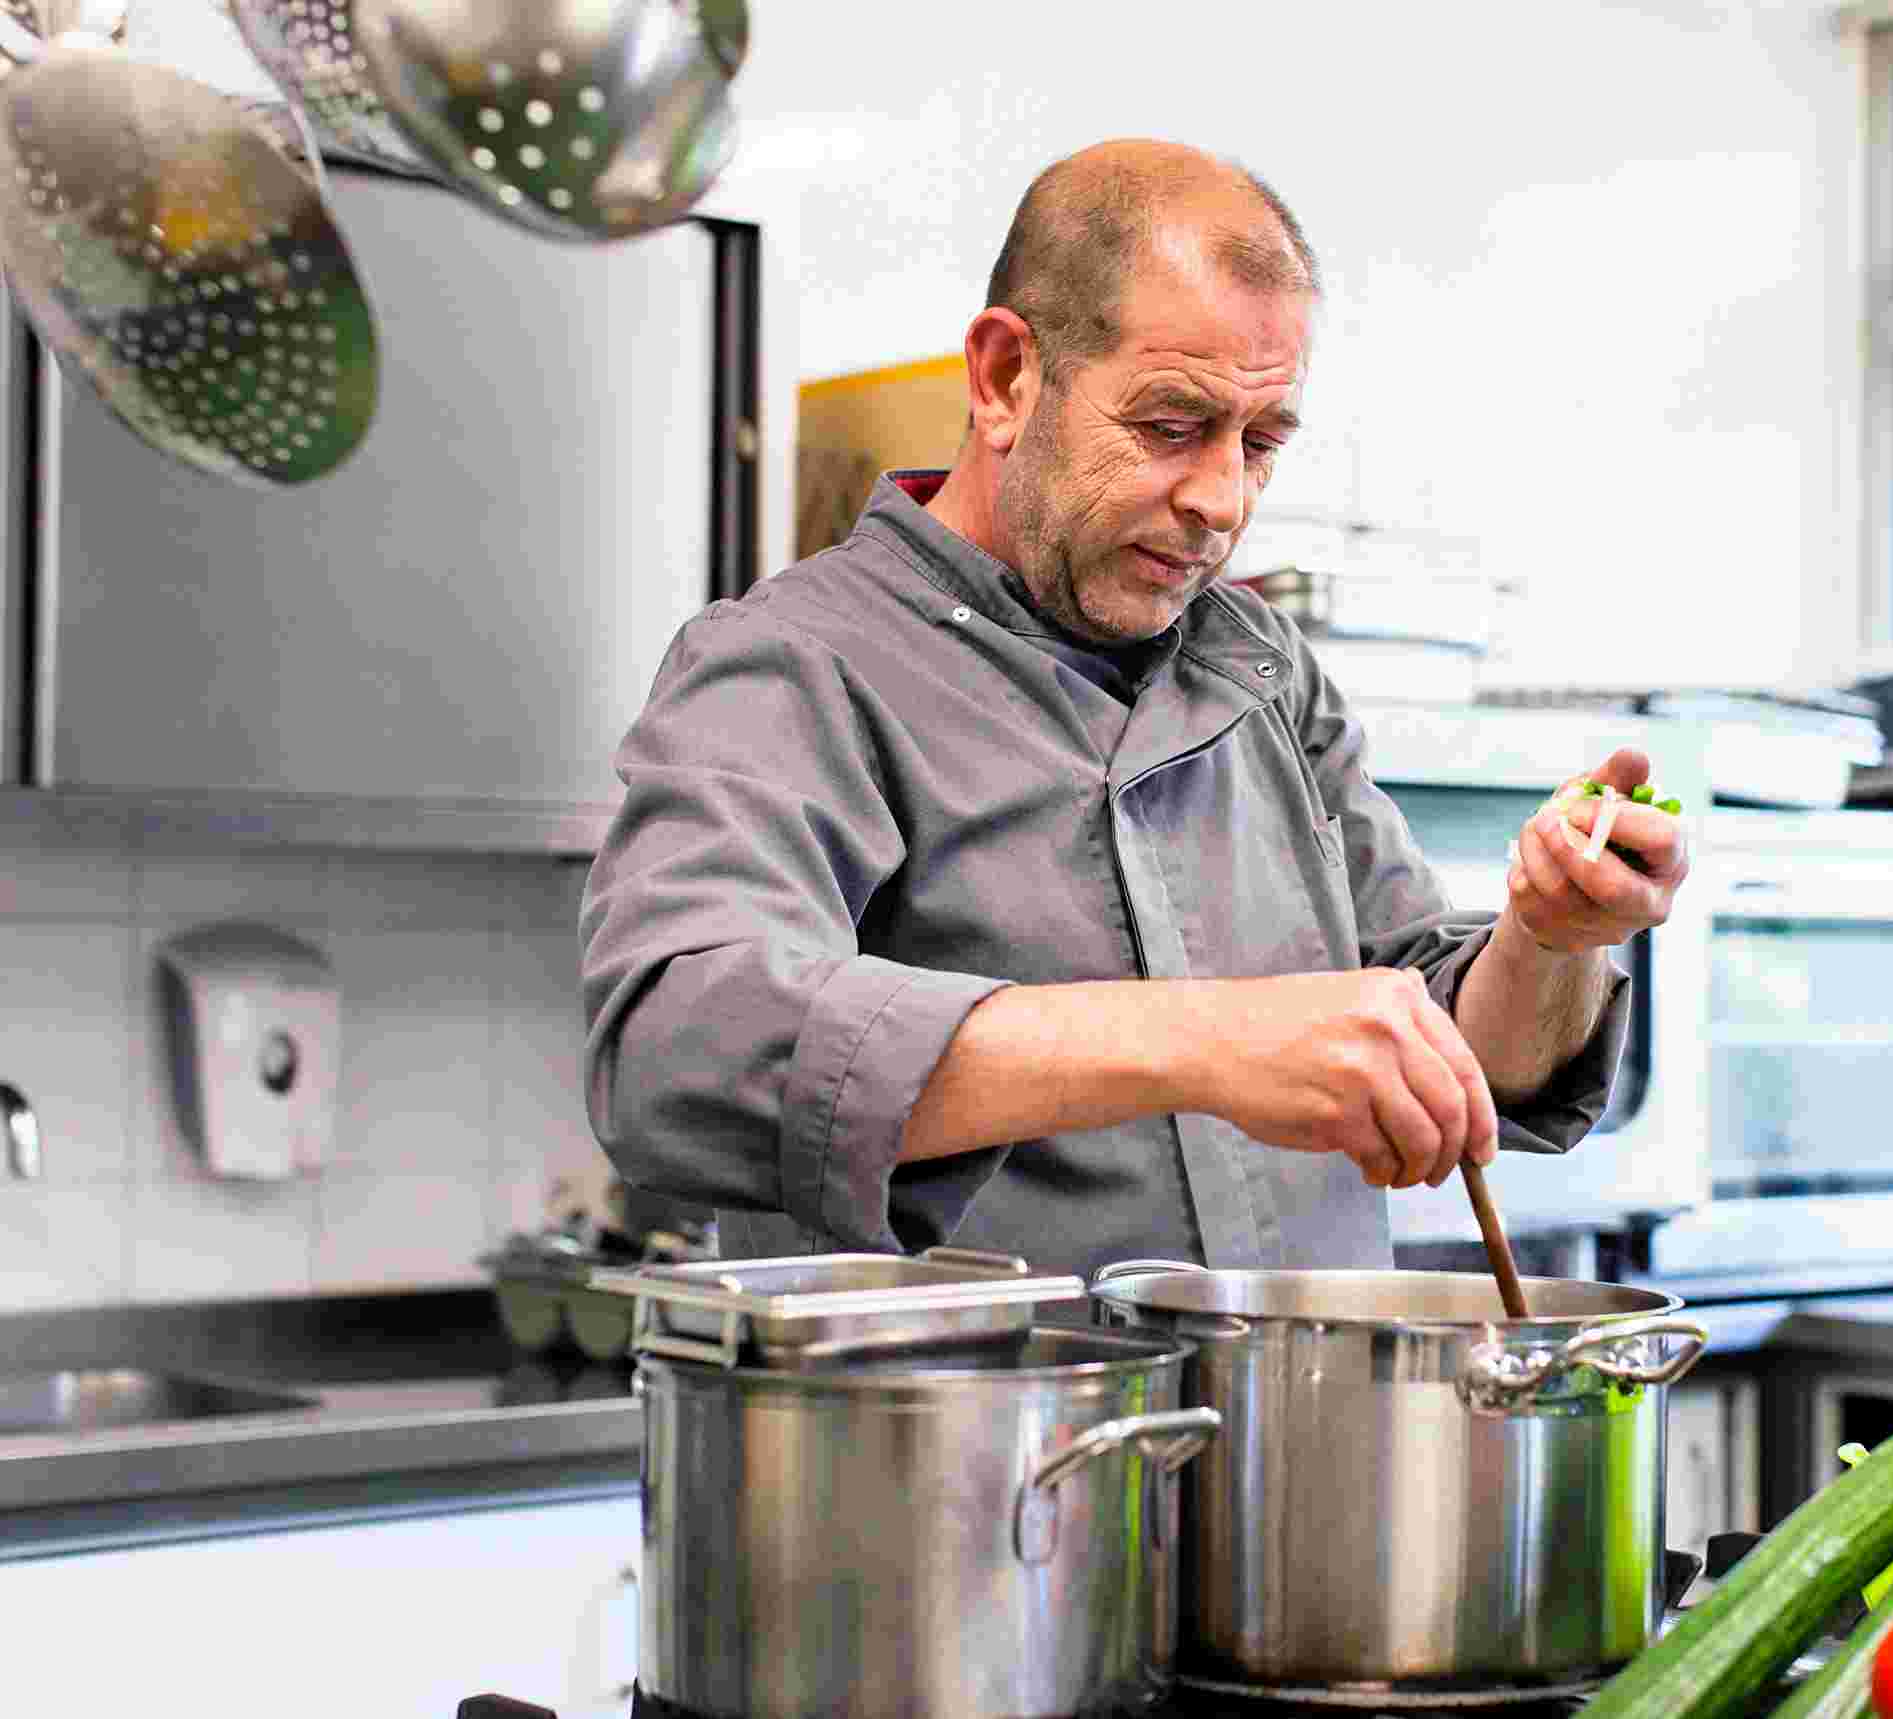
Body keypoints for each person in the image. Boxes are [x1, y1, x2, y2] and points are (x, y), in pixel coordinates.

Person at [578, 139, 1687, 1280]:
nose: (1220, 500)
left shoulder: (1262, 670)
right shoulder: (792, 664)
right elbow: (676, 1055)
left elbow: (1452, 1055)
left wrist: (1551, 940)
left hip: (1296, 1433)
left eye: (1260, 444)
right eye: (1169, 427)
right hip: (977, 1452)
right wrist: (1207, 1040)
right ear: (1007, 377)